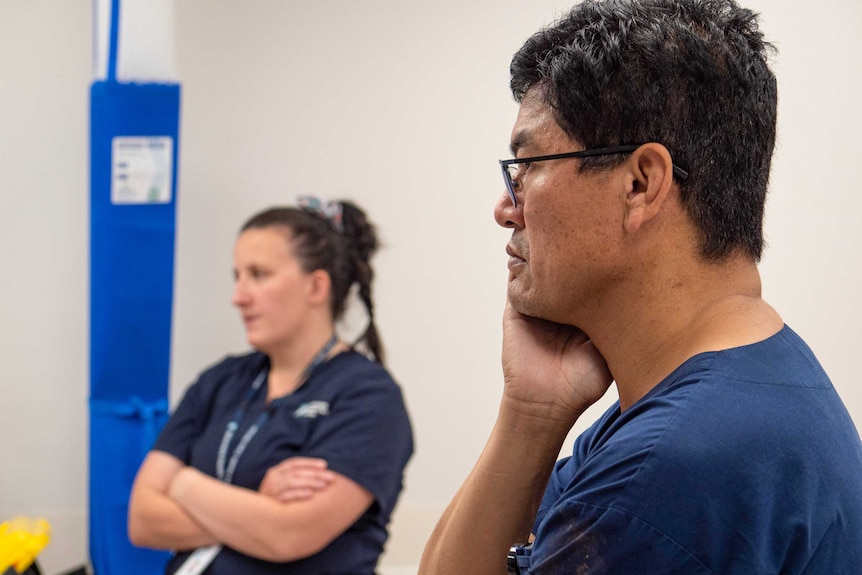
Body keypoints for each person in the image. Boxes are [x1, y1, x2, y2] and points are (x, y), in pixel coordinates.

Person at [418, 0, 862, 573]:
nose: (506, 208)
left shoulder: (670, 468)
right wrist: (532, 413)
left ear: (639, 184)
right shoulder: (737, 392)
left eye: (526, 166)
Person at [128, 197, 413, 574]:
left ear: (316, 287)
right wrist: (255, 504)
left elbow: (289, 535)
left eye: (259, 275)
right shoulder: (220, 381)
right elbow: (142, 519)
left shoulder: (368, 397)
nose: (238, 297)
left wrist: (182, 483)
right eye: (237, 276)